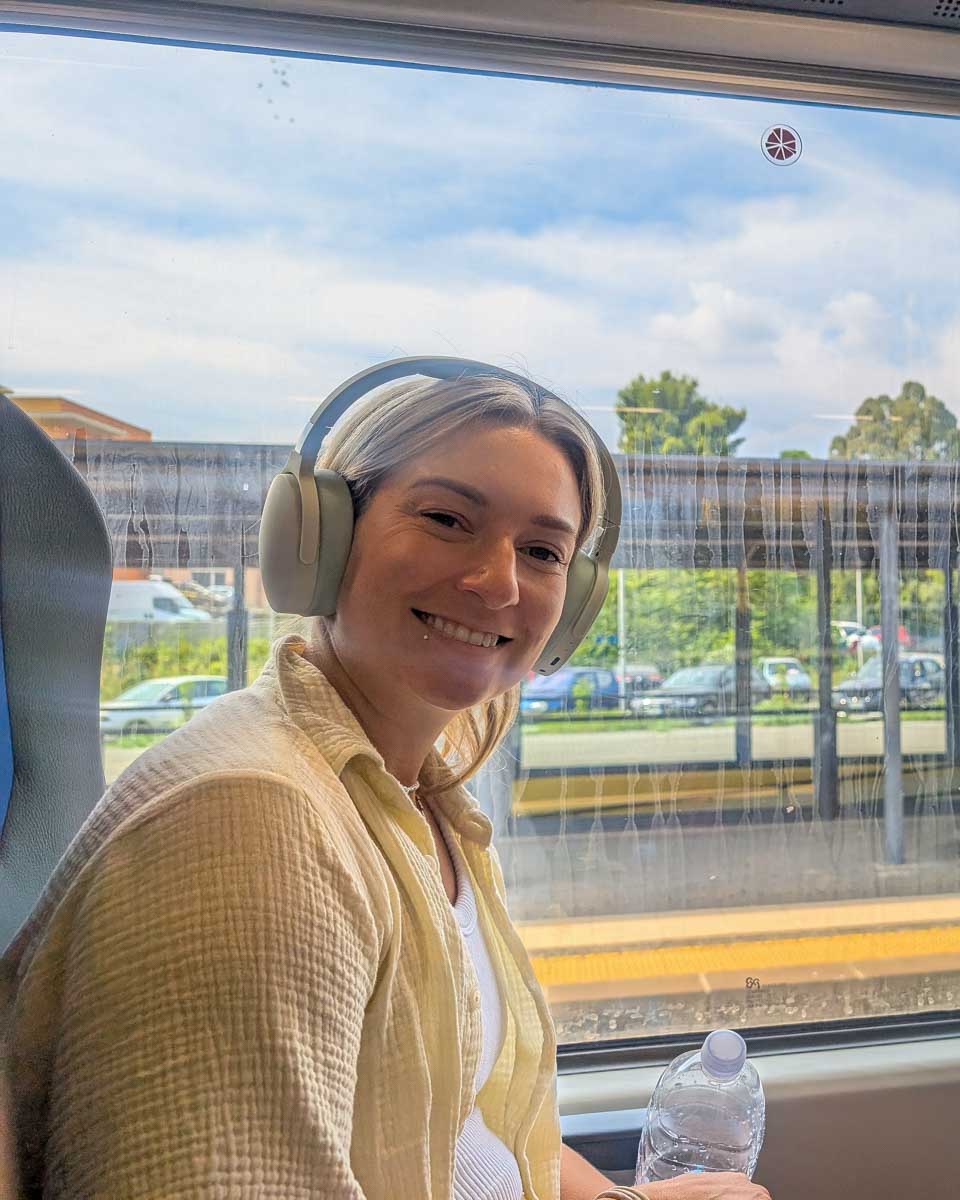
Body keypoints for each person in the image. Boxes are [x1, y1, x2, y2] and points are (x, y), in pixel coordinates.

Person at [2, 361, 771, 1200]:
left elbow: (464, 1123)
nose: (498, 582)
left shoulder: (421, 807)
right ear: (319, 536)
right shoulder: (255, 823)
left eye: (542, 551)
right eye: (446, 519)